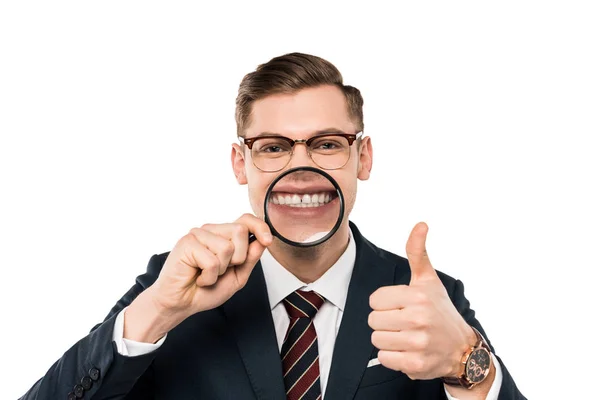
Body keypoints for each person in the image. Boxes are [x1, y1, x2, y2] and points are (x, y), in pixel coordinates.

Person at [21, 52, 525, 400]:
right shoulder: (175, 288)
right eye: (274, 147)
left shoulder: (424, 296)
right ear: (241, 164)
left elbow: (471, 369)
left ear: (362, 157)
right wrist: (155, 312)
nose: (299, 170)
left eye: (326, 144)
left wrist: (466, 363)